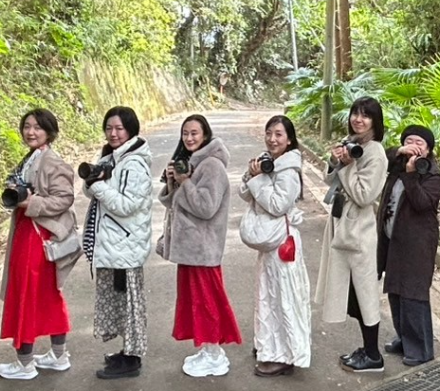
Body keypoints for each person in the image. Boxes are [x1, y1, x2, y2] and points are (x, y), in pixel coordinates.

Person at [0, 109, 78, 380]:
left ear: (49, 132)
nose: (30, 132)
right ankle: (58, 354)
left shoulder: (52, 161)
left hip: (37, 237)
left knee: (27, 295)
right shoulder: (32, 157)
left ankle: (25, 363)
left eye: (37, 128)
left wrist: (31, 203)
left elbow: (64, 199)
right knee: (46, 295)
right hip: (30, 233)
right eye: (27, 126)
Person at [158, 114, 242, 377]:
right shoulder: (192, 164)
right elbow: (173, 203)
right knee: (196, 301)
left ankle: (215, 353)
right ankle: (208, 349)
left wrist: (185, 183)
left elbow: (206, 207)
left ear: (205, 135)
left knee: (207, 302)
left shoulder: (212, 166)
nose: (189, 138)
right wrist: (174, 180)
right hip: (191, 248)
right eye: (185, 133)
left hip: (204, 248)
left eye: (194, 133)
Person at [315, 96, 389, 373]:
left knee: (365, 295)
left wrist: (347, 166)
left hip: (359, 233)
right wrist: (335, 161)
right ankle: (367, 350)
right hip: (343, 227)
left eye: (365, 115)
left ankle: (373, 356)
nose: (358, 119)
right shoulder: (353, 144)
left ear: (375, 121)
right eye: (355, 113)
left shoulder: (375, 153)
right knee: (352, 295)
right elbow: (329, 180)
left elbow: (363, 195)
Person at [81, 106, 155, 380]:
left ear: (131, 130)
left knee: (130, 304)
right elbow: (87, 189)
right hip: (114, 244)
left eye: (119, 129)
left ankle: (132, 358)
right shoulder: (111, 157)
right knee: (118, 301)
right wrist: (94, 181)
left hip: (125, 246)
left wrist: (98, 186)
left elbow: (127, 205)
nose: (113, 133)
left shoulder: (134, 163)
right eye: (109, 128)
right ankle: (125, 352)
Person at [238, 115, 311, 377]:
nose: (272, 139)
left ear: (289, 139)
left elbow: (278, 205)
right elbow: (245, 194)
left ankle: (285, 355)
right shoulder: (268, 162)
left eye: (279, 134)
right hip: (271, 245)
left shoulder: (289, 170)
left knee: (284, 299)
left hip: (283, 244)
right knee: (268, 296)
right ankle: (269, 347)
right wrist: (252, 174)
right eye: (269, 133)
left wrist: (259, 180)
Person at [377, 125, 440, 367]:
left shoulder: (432, 174)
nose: (415, 146)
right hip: (394, 238)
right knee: (395, 290)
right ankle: (404, 339)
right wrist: (400, 154)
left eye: (420, 143)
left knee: (413, 293)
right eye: (410, 141)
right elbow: (380, 155)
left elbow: (422, 203)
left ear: (429, 149)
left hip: (418, 243)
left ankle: (421, 349)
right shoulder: (396, 165)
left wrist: (412, 174)